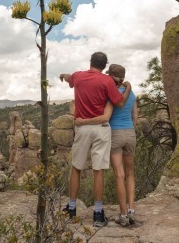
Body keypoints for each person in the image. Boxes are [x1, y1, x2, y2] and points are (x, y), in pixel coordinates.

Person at [59, 52, 131, 227]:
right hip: (101, 129)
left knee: (76, 168)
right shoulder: (107, 81)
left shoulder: (78, 76)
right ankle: (98, 214)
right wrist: (128, 87)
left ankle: (72, 208)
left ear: (90, 62)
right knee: (98, 170)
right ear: (104, 66)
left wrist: (63, 75)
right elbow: (119, 102)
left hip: (82, 128)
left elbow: (69, 77)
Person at [75, 64, 137, 227]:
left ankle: (123, 215)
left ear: (110, 76)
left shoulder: (110, 94)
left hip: (115, 134)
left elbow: (104, 115)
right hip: (130, 133)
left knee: (119, 174)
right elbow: (135, 116)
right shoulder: (132, 95)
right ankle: (132, 211)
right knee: (130, 173)